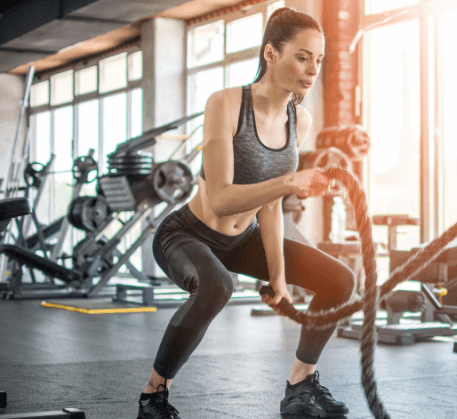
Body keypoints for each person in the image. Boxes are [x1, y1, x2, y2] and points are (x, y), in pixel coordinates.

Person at [137, 7, 354, 419]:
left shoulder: (299, 119)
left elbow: (269, 207)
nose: (312, 70)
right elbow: (219, 198)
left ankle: (300, 385)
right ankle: (153, 396)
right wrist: (290, 182)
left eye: (319, 60)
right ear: (271, 54)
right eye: (302, 57)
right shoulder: (226, 103)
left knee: (340, 280)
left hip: (242, 239)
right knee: (217, 286)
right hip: (187, 234)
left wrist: (279, 281)